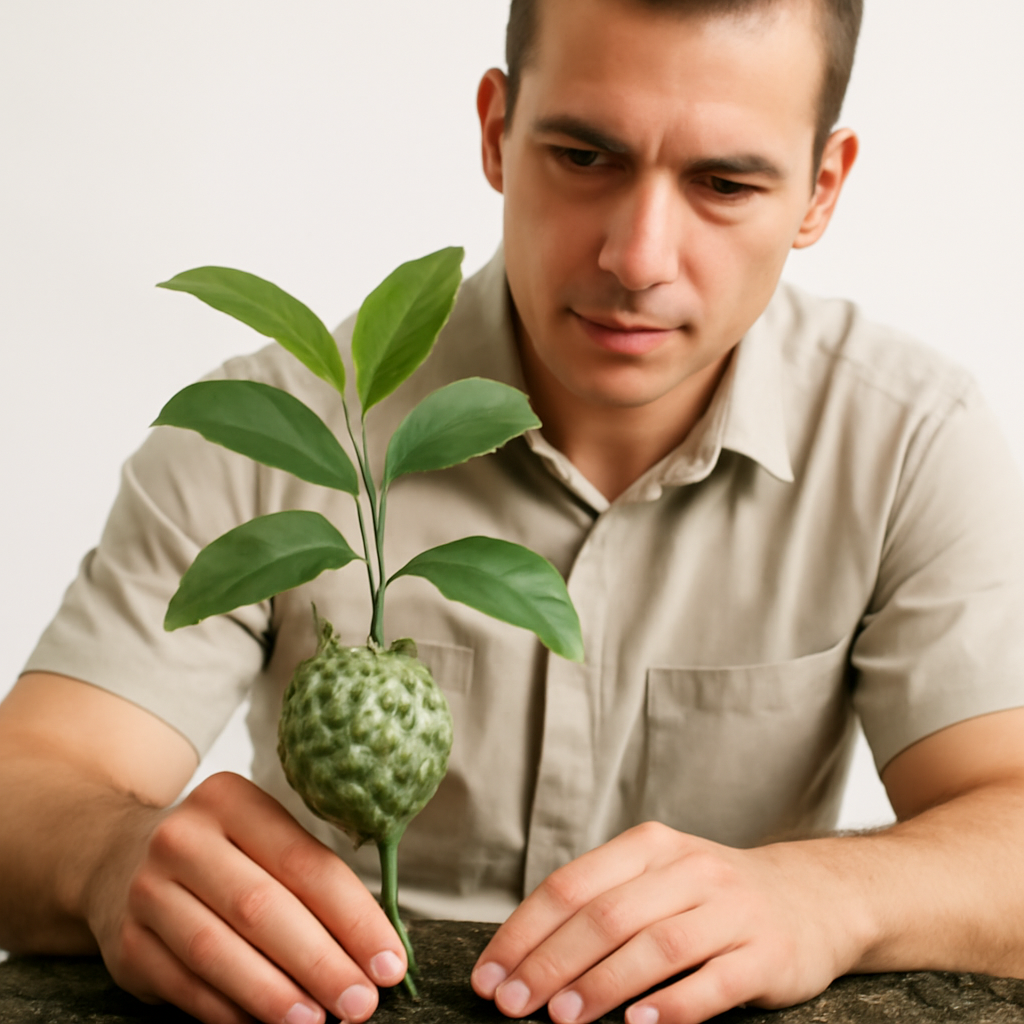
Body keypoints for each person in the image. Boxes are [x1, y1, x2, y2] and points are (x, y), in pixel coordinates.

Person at [2, 0, 1024, 1023]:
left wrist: (823, 893)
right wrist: (106, 858)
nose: (638, 257)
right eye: (584, 156)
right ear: (496, 130)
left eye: (722, 183)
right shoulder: (282, 434)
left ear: (821, 188)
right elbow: (34, 781)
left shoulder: (905, 441)